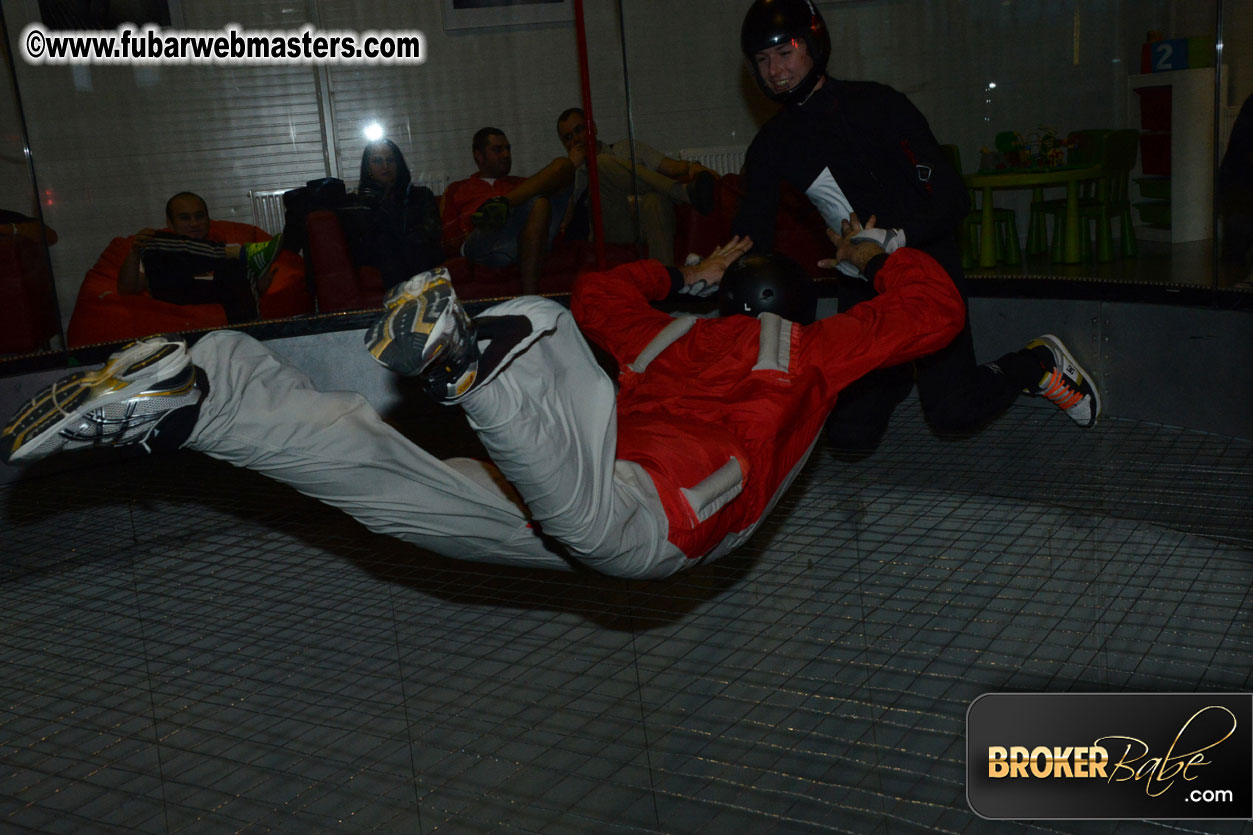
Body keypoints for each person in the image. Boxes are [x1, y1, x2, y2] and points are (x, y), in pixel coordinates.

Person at [3, 222, 966, 579]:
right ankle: (483, 373)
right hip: (653, 507)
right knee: (600, 528)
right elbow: (934, 310)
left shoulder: (661, 330)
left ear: (730, 287)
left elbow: (601, 297)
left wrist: (677, 275)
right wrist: (882, 257)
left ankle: (209, 402)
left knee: (391, 488)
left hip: (551, 481)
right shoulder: (811, 346)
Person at [732, 0, 1100, 454]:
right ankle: (897, 368)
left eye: (784, 52)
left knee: (953, 413)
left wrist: (895, 238)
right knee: (848, 437)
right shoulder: (771, 145)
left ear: (812, 45)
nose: (775, 70)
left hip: (924, 266)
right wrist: (714, 271)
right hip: (861, 281)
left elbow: (953, 199)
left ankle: (1038, 362)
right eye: (763, 60)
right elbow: (751, 236)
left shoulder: (879, 105)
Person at [555, 107, 717, 266]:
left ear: (593, 128)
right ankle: (682, 193)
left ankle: (664, 282)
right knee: (600, 163)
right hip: (613, 227)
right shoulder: (572, 174)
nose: (576, 139)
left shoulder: (627, 148)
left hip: (647, 220)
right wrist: (570, 170)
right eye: (568, 137)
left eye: (579, 129)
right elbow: (563, 221)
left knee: (656, 199)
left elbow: (671, 166)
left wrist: (692, 167)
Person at [441, 127, 576, 294]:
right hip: (483, 243)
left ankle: (503, 203)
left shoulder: (524, 184)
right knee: (533, 203)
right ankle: (498, 208)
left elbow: (562, 222)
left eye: (508, 149)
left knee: (562, 166)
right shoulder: (458, 188)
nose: (506, 155)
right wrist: (474, 224)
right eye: (498, 150)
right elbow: (447, 236)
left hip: (524, 243)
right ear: (479, 156)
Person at [117, 192, 283, 324]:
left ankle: (252, 329)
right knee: (155, 242)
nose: (194, 223)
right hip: (174, 295)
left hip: (213, 299)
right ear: (170, 223)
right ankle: (244, 255)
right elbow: (127, 289)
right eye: (185, 218)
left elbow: (246, 291)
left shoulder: (226, 245)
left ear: (208, 219)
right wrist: (135, 252)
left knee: (233, 268)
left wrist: (259, 283)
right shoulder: (159, 251)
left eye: (199, 216)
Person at [335, 138, 443, 291]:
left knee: (410, 249)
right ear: (368, 167)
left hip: (418, 251)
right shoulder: (360, 203)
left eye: (390, 160)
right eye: (377, 161)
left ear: (398, 163)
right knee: (388, 248)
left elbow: (432, 231)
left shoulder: (421, 195)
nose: (385, 166)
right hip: (383, 256)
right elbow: (363, 242)